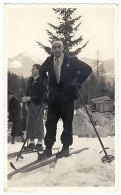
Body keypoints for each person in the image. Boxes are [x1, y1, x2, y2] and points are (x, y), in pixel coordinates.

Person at [39, 40, 92, 159]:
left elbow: (88, 69)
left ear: (62, 48)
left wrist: (77, 82)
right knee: (50, 123)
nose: (56, 49)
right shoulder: (49, 60)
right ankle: (48, 149)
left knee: (67, 124)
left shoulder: (72, 60)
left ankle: (65, 148)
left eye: (59, 47)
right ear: (52, 49)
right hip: (53, 98)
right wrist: (46, 82)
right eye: (54, 47)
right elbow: (42, 72)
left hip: (67, 97)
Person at [22, 64, 46, 151]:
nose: (31, 70)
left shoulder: (43, 80)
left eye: (33, 69)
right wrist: (26, 102)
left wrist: (30, 98)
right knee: (30, 122)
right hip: (30, 104)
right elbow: (28, 91)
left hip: (38, 104)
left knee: (38, 122)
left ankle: (39, 143)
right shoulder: (30, 79)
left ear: (38, 70)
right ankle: (31, 143)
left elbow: (43, 95)